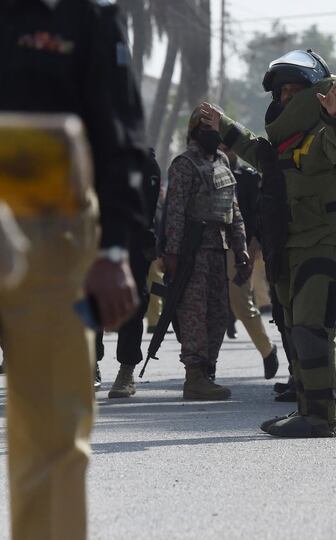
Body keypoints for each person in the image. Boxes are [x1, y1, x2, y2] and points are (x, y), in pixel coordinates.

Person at [0, 0, 146, 537]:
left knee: (54, 438)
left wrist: (113, 252)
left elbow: (121, 141)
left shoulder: (88, 19)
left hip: (54, 244)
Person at [204, 49, 336, 438]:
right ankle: (309, 410)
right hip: (292, 246)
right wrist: (222, 124)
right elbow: (259, 153)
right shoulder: (285, 144)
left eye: (294, 91)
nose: (285, 99)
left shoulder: (330, 133)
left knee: (313, 326)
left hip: (327, 244)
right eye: (281, 93)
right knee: (296, 328)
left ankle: (322, 417)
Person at [163, 107, 249, 400]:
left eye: (216, 127)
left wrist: (242, 250)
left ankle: (208, 371)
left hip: (218, 249)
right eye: (205, 127)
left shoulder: (223, 161)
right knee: (194, 314)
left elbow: (233, 210)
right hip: (192, 251)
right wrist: (172, 255)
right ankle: (195, 376)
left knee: (218, 315)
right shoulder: (184, 164)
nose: (212, 133)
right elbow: (174, 212)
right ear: (194, 131)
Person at [102, 148, 162, 398]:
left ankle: (126, 369)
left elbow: (147, 209)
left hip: (132, 244)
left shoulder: (144, 162)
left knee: (133, 305)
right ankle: (89, 366)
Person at [221, 144, 280, 380]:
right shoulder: (208, 171)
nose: (226, 152)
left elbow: (258, 214)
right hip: (209, 247)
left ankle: (267, 351)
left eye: (229, 147)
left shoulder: (248, 178)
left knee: (240, 302)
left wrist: (254, 244)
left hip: (239, 249)